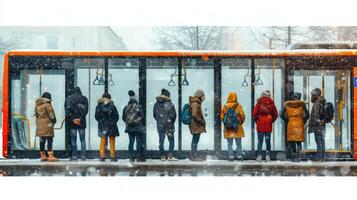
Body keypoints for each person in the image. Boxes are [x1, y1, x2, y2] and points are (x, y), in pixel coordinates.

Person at [281, 92, 309, 162]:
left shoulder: (288, 105)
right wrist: (302, 121)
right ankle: (299, 156)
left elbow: (282, 115)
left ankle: (293, 157)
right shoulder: (302, 105)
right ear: (299, 98)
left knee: (292, 141)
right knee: (298, 142)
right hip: (299, 124)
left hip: (291, 125)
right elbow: (307, 115)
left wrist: (288, 120)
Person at [253, 90, 278, 162]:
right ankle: (268, 156)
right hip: (268, 125)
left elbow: (254, 113)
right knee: (268, 141)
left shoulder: (259, 102)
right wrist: (271, 120)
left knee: (260, 141)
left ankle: (259, 156)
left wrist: (257, 120)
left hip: (260, 124)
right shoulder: (271, 103)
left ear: (262, 95)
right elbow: (276, 114)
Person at [153, 88, 178, 161]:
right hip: (169, 125)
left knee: (161, 141)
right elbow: (173, 116)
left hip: (160, 125)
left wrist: (160, 121)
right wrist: (170, 121)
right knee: (171, 141)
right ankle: (170, 156)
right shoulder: (170, 104)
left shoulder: (156, 104)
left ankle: (162, 156)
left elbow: (154, 115)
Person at [64, 87, 88, 161]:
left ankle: (74, 156)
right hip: (82, 122)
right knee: (82, 140)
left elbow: (67, 111)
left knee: (73, 140)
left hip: (72, 123)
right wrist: (80, 118)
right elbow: (86, 110)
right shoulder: (84, 99)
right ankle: (83, 156)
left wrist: (73, 119)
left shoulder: (68, 99)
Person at [220, 92, 245, 161]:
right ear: (236, 97)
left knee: (229, 144)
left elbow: (222, 117)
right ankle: (239, 156)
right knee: (239, 144)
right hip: (237, 128)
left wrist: (227, 123)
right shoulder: (238, 106)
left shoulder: (225, 106)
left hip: (228, 128)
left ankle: (230, 157)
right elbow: (243, 116)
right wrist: (239, 123)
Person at [95, 92, 119, 162]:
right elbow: (116, 116)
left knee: (103, 141)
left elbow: (96, 116)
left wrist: (101, 122)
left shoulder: (99, 106)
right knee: (112, 141)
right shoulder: (112, 106)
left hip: (102, 125)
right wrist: (113, 122)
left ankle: (102, 156)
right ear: (110, 98)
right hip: (111, 125)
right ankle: (112, 156)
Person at [122, 90, 146, 162]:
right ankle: (139, 157)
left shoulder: (126, 107)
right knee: (138, 142)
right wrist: (137, 121)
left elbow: (123, 118)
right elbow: (142, 116)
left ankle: (131, 157)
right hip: (138, 127)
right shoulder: (138, 107)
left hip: (130, 128)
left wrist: (129, 122)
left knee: (131, 142)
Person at [35, 92, 58, 162]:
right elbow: (51, 115)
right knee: (49, 140)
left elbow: (36, 115)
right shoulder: (47, 105)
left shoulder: (37, 105)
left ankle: (42, 156)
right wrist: (54, 121)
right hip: (47, 124)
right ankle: (50, 155)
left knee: (42, 140)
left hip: (40, 124)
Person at [308, 88, 326, 161]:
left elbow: (315, 115)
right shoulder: (322, 101)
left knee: (318, 140)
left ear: (316, 95)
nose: (311, 96)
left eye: (312, 95)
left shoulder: (317, 104)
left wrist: (313, 124)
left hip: (318, 125)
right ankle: (322, 156)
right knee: (322, 140)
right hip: (322, 124)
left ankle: (319, 156)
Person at [188, 89, 206, 161]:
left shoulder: (196, 103)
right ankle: (193, 156)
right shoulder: (195, 104)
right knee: (195, 141)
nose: (203, 98)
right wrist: (201, 120)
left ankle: (193, 155)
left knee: (195, 140)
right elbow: (194, 115)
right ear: (199, 96)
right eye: (203, 96)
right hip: (196, 125)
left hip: (196, 125)